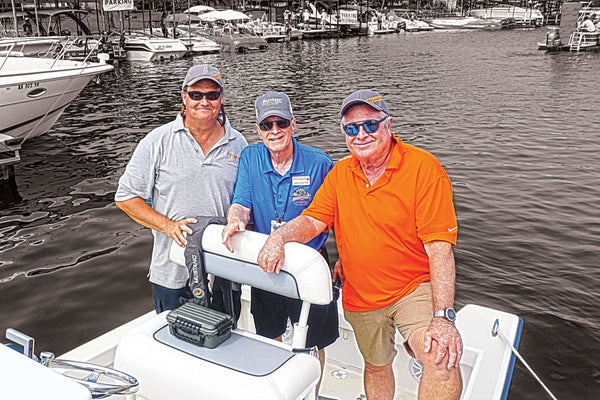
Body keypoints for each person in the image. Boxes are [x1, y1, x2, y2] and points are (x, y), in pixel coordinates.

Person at [256, 89, 463, 400]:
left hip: (413, 289)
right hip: (362, 296)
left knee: (440, 359)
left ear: (388, 125)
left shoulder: (424, 169)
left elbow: (440, 250)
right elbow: (314, 220)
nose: (361, 134)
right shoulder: (341, 173)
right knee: (377, 366)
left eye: (370, 125)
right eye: (352, 129)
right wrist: (280, 236)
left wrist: (443, 316)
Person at [221, 91, 339, 394]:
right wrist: (235, 218)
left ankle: (311, 392)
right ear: (258, 130)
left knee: (313, 341)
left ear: (293, 125)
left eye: (281, 123)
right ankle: (278, 391)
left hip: (309, 263)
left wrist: (344, 259)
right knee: (269, 333)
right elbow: (242, 201)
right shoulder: (250, 157)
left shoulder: (320, 163)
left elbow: (338, 218)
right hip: (266, 264)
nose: (274, 131)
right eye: (266, 125)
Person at [115, 65, 247, 313]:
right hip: (171, 271)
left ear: (221, 98)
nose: (204, 101)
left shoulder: (238, 143)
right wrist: (167, 226)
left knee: (224, 341)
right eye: (196, 94)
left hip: (223, 271)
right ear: (184, 96)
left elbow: (245, 199)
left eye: (212, 95)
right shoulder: (157, 141)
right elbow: (125, 197)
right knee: (175, 346)